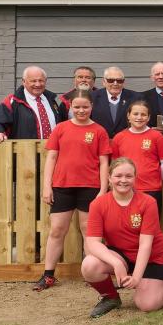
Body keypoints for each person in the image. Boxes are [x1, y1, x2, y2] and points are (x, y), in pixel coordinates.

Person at [35, 90, 110, 291]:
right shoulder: (61, 128)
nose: (81, 110)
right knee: (57, 230)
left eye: (85, 107)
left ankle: (91, 273)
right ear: (70, 107)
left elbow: (104, 163)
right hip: (62, 186)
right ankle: (48, 275)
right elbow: (51, 158)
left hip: (90, 187)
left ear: (91, 107)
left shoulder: (99, 131)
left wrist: (103, 189)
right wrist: (46, 186)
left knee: (89, 232)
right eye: (77, 107)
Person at [81, 157, 163, 317]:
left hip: (151, 257)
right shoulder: (98, 204)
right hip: (121, 255)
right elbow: (93, 243)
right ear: (109, 178)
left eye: (128, 176)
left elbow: (145, 244)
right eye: (118, 176)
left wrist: (136, 277)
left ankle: (157, 286)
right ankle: (110, 297)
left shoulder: (148, 202)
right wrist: (116, 263)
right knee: (89, 265)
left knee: (148, 305)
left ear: (135, 178)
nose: (123, 180)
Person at [111, 100, 163, 214]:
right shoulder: (119, 137)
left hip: (151, 189)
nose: (139, 117)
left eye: (143, 114)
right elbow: (115, 164)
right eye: (135, 114)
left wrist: (155, 178)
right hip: (126, 188)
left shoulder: (156, 137)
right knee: (127, 225)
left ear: (148, 118)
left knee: (150, 224)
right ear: (128, 116)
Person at [0, 66, 67, 142]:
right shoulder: (13, 101)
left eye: (41, 80)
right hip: (25, 152)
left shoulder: (51, 100)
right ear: (23, 81)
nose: (38, 84)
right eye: (33, 81)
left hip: (52, 152)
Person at [90, 66, 143, 138]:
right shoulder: (92, 97)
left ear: (123, 82)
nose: (115, 83)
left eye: (119, 81)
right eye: (111, 80)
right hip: (100, 141)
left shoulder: (136, 98)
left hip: (127, 141)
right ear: (104, 82)